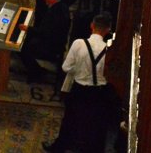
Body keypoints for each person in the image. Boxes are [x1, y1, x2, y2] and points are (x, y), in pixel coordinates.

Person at [43, 13, 114, 153]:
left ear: (92, 26)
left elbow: (66, 67)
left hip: (79, 89)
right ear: (107, 30)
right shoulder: (109, 50)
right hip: (98, 92)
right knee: (93, 122)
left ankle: (60, 146)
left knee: (70, 119)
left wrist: (80, 69)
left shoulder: (79, 44)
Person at [18, 0, 71, 83]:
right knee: (27, 39)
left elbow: (45, 32)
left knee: (23, 47)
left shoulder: (55, 13)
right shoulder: (61, 7)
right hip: (53, 41)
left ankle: (36, 72)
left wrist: (28, 29)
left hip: (51, 46)